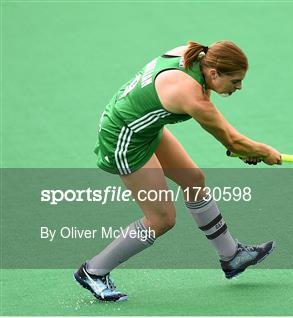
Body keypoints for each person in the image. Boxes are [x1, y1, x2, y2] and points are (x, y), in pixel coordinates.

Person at [73, 40, 281, 302]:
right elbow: (231, 139)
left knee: (193, 180)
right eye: (235, 81)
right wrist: (263, 152)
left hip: (144, 127)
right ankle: (94, 271)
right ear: (214, 73)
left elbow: (231, 142)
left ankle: (231, 256)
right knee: (161, 219)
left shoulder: (194, 53)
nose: (239, 87)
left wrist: (243, 150)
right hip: (124, 139)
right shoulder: (189, 94)